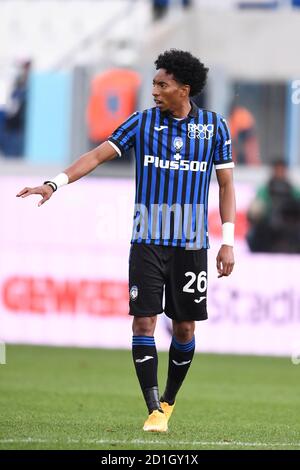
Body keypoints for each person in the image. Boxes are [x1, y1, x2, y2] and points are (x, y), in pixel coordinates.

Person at [17, 49, 236, 433]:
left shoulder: (215, 128)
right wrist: (55, 182)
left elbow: (226, 184)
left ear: (183, 90)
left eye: (161, 84)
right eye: (153, 83)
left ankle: (168, 401)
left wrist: (228, 241)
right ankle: (153, 409)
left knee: (184, 328)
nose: (153, 90)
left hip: (191, 244)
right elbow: (98, 154)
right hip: (147, 239)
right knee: (143, 322)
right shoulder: (142, 123)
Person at [247, 159, 300, 253]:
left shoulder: (293, 190)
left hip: (290, 227)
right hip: (269, 226)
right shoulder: (264, 190)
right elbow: (254, 212)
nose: (280, 173)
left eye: (282, 170)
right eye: (277, 170)